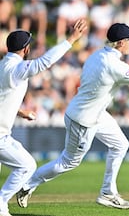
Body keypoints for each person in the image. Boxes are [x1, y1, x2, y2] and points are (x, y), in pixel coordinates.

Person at [16, 22, 129, 210]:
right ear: (121, 43)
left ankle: (107, 192)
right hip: (83, 120)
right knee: (68, 162)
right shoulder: (114, 65)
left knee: (120, 144)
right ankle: (27, 184)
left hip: (95, 113)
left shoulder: (97, 54)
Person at [0, 19, 87, 216]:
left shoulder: (2, 66)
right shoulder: (16, 69)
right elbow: (44, 62)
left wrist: (20, 112)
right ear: (26, 49)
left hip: (3, 133)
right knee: (27, 166)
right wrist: (71, 39)